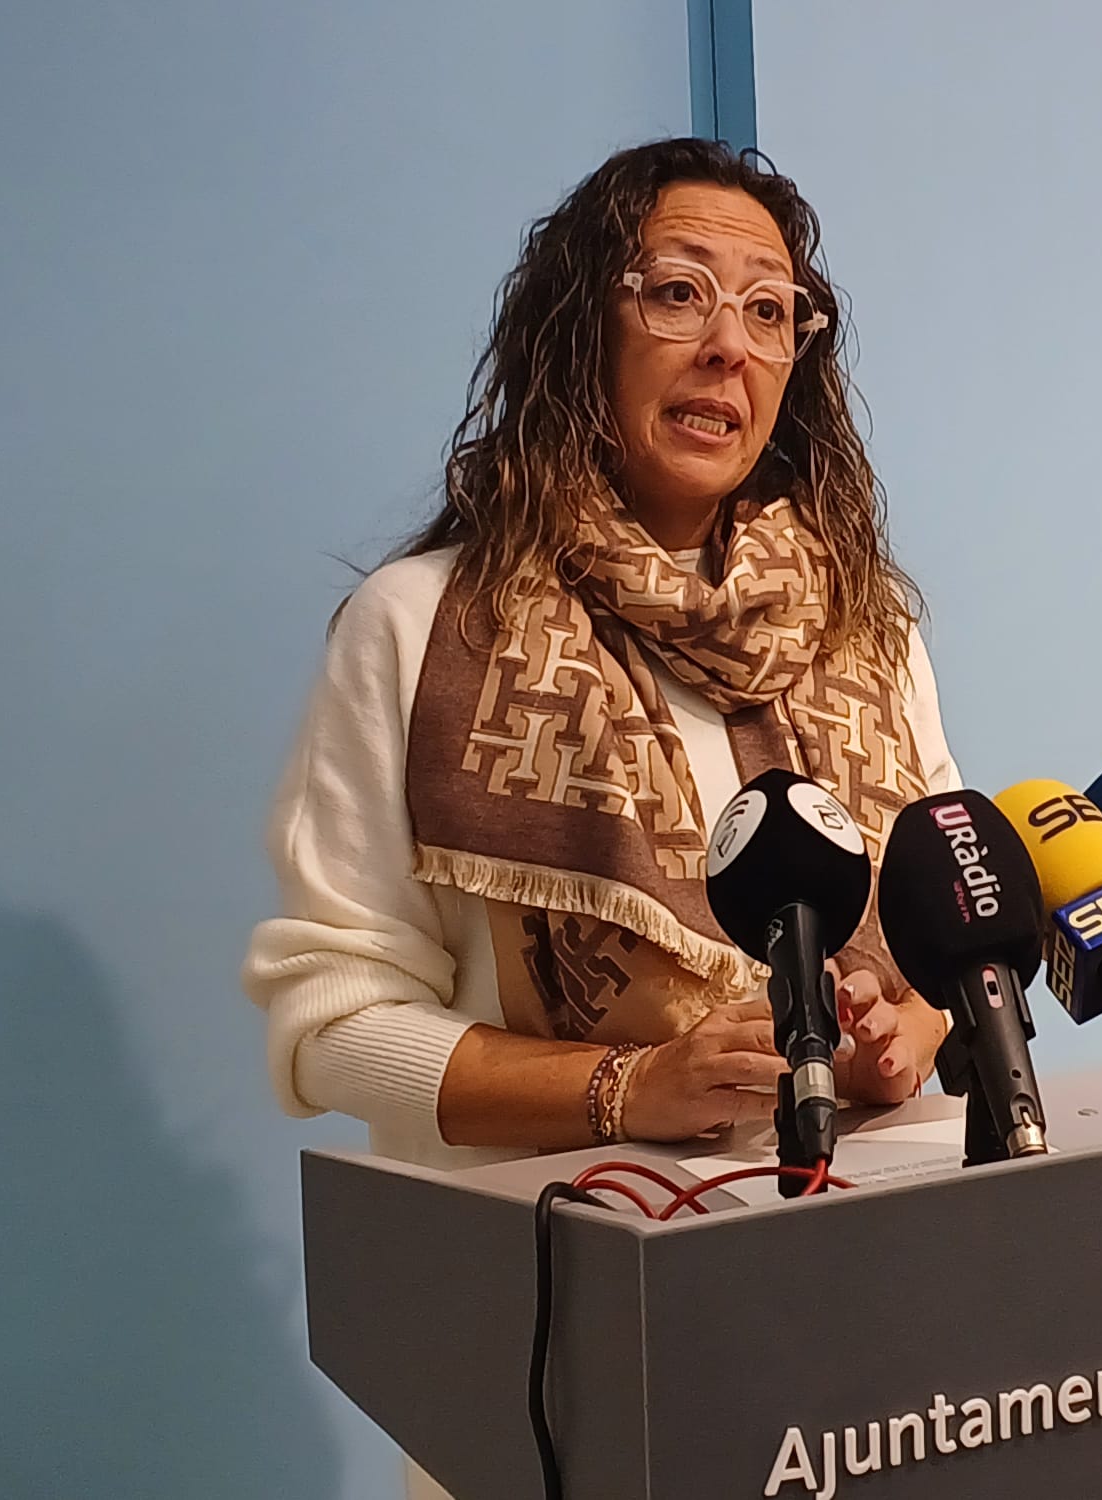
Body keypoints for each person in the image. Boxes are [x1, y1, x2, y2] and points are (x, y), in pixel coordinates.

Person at [242, 139, 956, 1493]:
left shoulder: (868, 633)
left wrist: (901, 1035)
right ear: (583, 329)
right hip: (559, 1350)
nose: (728, 344)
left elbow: (938, 951)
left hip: (862, 1343)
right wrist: (631, 1087)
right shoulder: (423, 630)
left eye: (770, 309)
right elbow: (334, 1030)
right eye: (678, 291)